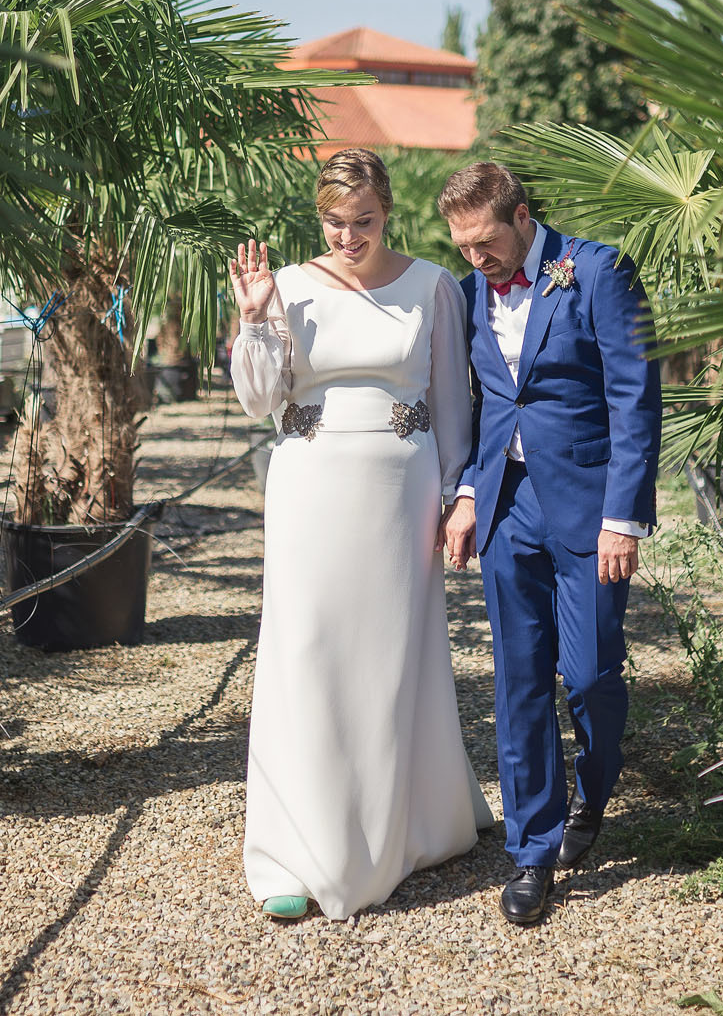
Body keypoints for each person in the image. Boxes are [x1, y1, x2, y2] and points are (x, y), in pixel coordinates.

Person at [227, 148, 492, 921]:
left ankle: (394, 831)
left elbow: (453, 405)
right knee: (304, 652)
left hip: (400, 495)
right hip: (309, 486)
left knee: (388, 660)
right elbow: (258, 400)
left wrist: (455, 496)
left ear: (388, 213)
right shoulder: (289, 286)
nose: (349, 236)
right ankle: (292, 845)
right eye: (336, 223)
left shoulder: (432, 285)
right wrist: (254, 323)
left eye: (364, 222)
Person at [437, 161, 662, 926]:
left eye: (485, 242)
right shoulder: (469, 294)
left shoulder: (598, 271)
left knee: (594, 671)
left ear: (522, 215)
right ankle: (532, 849)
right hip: (507, 508)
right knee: (519, 680)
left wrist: (623, 516)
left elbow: (635, 395)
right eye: (462, 246)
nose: (476, 258)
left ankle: (593, 796)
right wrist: (468, 493)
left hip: (590, 507)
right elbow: (479, 406)